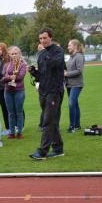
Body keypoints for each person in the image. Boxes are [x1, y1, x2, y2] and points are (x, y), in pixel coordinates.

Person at [29, 28, 65, 160]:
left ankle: (42, 151)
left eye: (44, 38)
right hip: (43, 91)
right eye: (40, 39)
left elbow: (55, 64)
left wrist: (46, 53)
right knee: (52, 121)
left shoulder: (58, 51)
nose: (42, 41)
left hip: (54, 91)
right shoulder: (42, 54)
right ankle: (58, 148)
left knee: (47, 121)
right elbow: (42, 75)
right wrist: (34, 72)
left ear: (50, 37)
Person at [1, 46, 27, 139]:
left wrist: (9, 77)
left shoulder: (23, 64)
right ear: (9, 54)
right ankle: (11, 132)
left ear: (19, 54)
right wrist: (10, 77)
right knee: (10, 113)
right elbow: (3, 78)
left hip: (19, 91)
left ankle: (19, 132)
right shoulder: (6, 64)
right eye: (12, 54)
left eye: (16, 53)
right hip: (8, 91)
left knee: (19, 112)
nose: (14, 55)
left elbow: (20, 77)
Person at [65, 39, 85, 133]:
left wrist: (66, 74)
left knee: (71, 104)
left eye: (69, 45)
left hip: (77, 84)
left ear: (75, 46)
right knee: (75, 104)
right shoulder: (71, 57)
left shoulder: (79, 56)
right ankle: (77, 125)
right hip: (69, 84)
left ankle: (72, 126)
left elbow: (79, 70)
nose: (68, 47)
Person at [0, 42, 10, 135]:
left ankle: (18, 125)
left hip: (8, 86)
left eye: (0, 49)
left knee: (12, 107)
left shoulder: (8, 59)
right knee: (4, 108)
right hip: (0, 87)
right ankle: (7, 127)